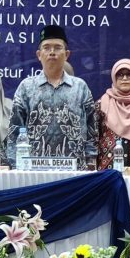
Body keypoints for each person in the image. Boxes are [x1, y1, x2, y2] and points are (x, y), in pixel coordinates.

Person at [8, 25, 97, 167]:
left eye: (57, 47)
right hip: (35, 171)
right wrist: (15, 167)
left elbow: (92, 132)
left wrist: (91, 164)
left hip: (75, 171)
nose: (52, 52)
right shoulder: (26, 87)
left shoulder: (80, 87)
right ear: (39, 55)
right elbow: (14, 133)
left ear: (66, 55)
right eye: (47, 48)